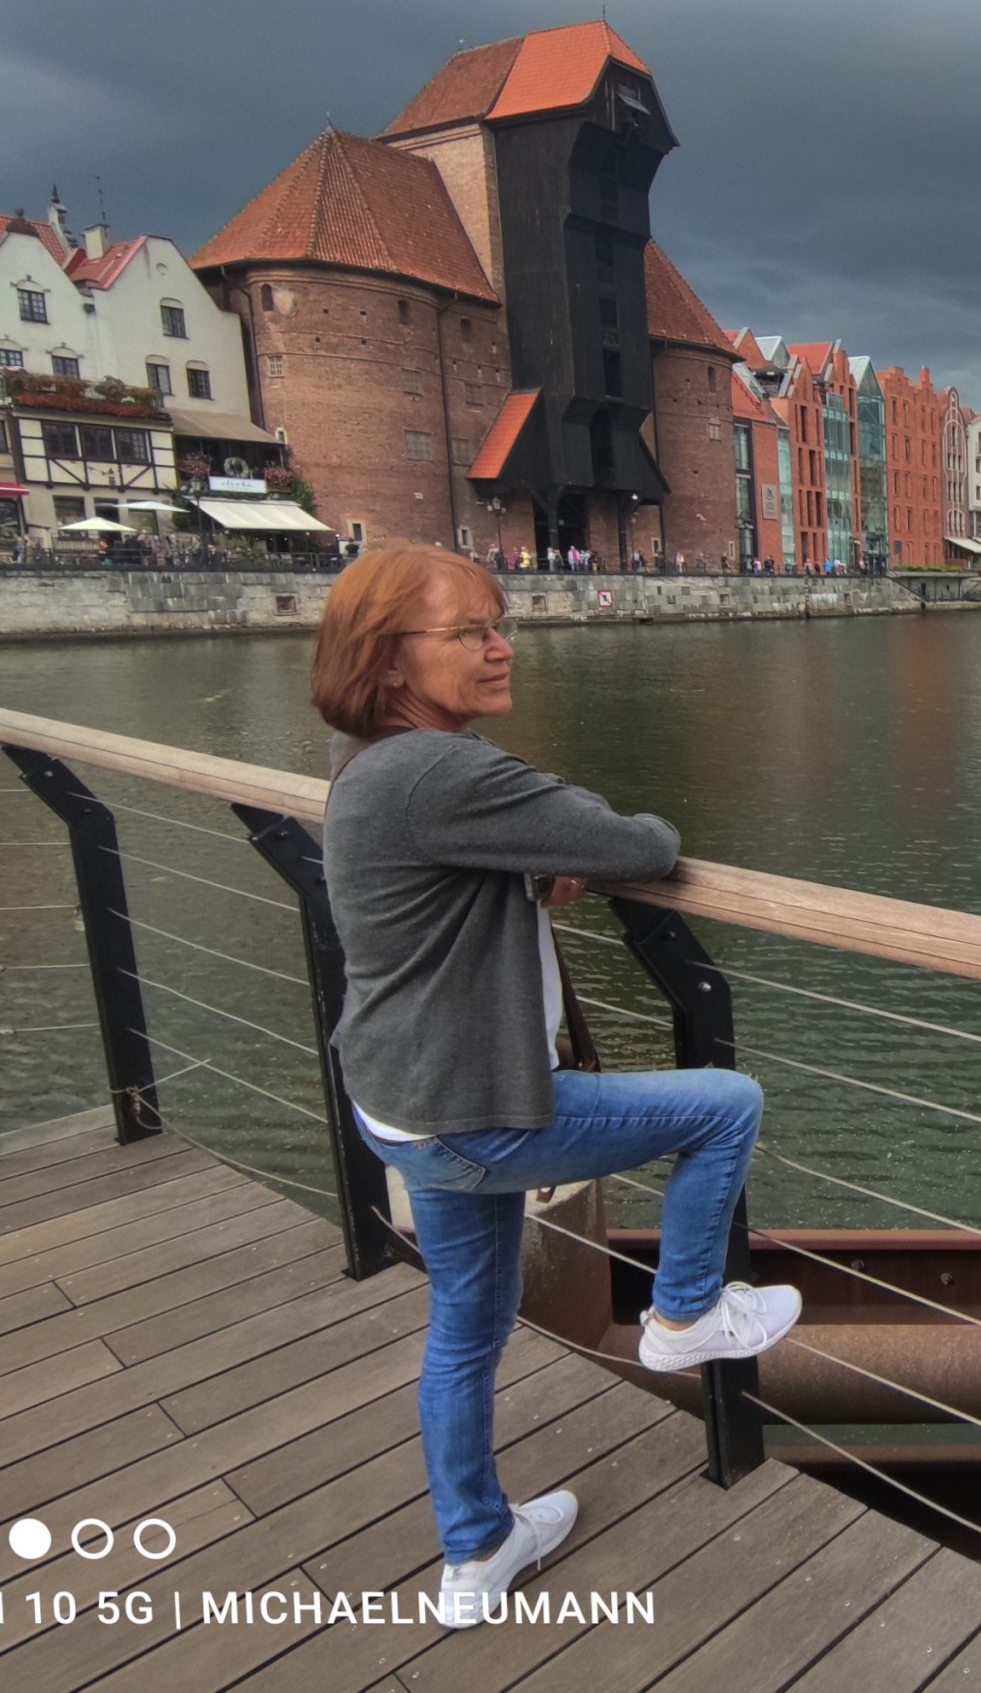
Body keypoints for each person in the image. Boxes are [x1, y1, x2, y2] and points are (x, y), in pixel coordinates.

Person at [312, 546, 800, 1627]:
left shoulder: (368, 763)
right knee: (726, 1106)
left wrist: (527, 868)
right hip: (468, 1110)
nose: (501, 648)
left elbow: (443, 886)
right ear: (389, 659)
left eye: (502, 624)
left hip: (398, 1099)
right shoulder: (443, 772)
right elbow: (640, 842)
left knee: (466, 1323)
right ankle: (684, 1314)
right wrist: (559, 846)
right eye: (470, 632)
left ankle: (477, 1549)